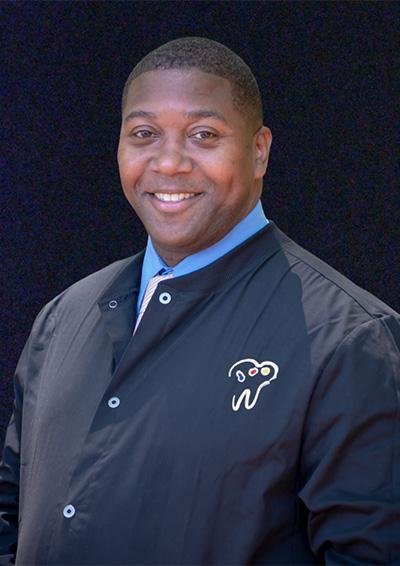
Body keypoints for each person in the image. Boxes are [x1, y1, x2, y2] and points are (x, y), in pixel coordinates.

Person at [0, 36, 399, 565]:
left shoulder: (348, 339)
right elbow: (9, 513)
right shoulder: (62, 317)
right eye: (144, 134)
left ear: (259, 151)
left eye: (203, 135)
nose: (168, 163)